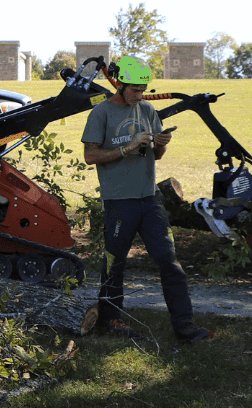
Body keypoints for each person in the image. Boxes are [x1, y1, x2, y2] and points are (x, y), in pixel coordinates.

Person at [81, 55, 210, 342]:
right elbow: (90, 156)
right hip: (119, 201)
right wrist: (127, 149)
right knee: (114, 264)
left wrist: (161, 144)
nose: (140, 94)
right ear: (119, 84)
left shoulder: (148, 110)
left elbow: (156, 155)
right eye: (134, 89)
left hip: (150, 199)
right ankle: (111, 320)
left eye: (143, 89)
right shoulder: (101, 113)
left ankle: (185, 327)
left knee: (169, 261)